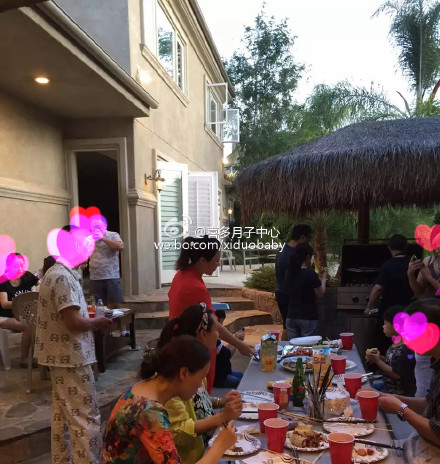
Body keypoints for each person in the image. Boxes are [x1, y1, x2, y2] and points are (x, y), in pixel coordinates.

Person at [35, 225, 112, 464]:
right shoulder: (62, 277)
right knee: (85, 418)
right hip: (71, 357)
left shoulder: (57, 273)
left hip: (62, 356)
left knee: (63, 416)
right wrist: (97, 321)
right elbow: (73, 321)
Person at [102, 335, 236, 464]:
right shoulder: (150, 413)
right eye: (201, 377)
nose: (201, 384)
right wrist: (220, 445)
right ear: (184, 373)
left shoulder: (144, 387)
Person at [157, 304, 242, 464]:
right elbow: (180, 432)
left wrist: (220, 401)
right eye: (216, 330)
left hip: (204, 448)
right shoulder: (172, 384)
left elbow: (199, 400)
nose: (218, 335)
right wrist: (222, 418)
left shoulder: (195, 367)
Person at [168, 235, 254, 393]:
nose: (218, 264)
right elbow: (213, 323)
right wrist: (238, 343)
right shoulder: (194, 286)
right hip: (193, 350)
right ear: (202, 260)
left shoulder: (181, 276)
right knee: (199, 394)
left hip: (183, 345)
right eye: (216, 260)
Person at [377, 298, 440, 463]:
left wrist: (401, 409)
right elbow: (429, 404)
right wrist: (394, 399)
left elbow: (437, 434)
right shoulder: (436, 362)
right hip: (421, 444)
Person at [365, 234, 414, 355]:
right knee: (406, 342)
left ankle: (381, 363)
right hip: (409, 309)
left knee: (384, 342)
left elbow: (378, 289)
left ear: (389, 247)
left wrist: (369, 307)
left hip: (389, 311)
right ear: (406, 247)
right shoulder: (412, 264)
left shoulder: (388, 265)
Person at [407, 251, 439, 397]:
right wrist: (410, 274)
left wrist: (429, 277)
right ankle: (423, 396)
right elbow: (419, 291)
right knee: (421, 360)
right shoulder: (429, 261)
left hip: (436, 317)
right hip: (426, 318)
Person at [365, 305, 416, 396]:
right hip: (387, 384)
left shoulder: (405, 349)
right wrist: (379, 357)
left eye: (385, 323)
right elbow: (393, 362)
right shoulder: (396, 343)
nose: (383, 326)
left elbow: (396, 374)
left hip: (396, 392)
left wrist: (378, 361)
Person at [0, 253, 39, 367]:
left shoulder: (27, 276)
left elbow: (42, 285)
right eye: (16, 266)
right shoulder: (3, 281)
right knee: (28, 326)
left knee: (41, 324)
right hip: (5, 317)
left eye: (22, 266)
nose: (20, 269)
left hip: (23, 315)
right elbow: (4, 304)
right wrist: (23, 302)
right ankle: (24, 359)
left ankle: (39, 356)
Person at [275, 225, 312, 337]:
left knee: (287, 326)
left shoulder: (282, 249)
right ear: (302, 237)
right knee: (290, 328)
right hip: (288, 295)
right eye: (308, 238)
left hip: (280, 291)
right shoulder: (293, 254)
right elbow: (298, 275)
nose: (308, 242)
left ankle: (283, 345)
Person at [285, 243, 326, 340]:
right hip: (308, 317)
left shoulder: (288, 273)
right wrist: (324, 278)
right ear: (307, 257)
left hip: (291, 316)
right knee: (309, 347)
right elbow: (320, 293)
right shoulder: (310, 274)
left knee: (293, 346)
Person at [88, 218, 124, 310]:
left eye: (98, 227)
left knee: (115, 305)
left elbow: (120, 247)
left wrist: (103, 238)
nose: (95, 229)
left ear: (105, 226)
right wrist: (83, 262)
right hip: (95, 277)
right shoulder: (89, 238)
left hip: (111, 276)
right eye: (93, 227)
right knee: (97, 306)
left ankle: (115, 319)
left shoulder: (113, 235)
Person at [213, 309, 244, 388]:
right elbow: (226, 354)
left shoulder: (214, 337)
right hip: (220, 377)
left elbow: (223, 349)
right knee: (244, 383)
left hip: (226, 372)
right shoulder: (212, 338)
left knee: (245, 376)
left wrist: (235, 340)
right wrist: (237, 340)